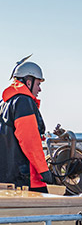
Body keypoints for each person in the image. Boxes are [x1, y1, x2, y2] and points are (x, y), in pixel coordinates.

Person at [0, 61, 54, 191]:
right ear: (28, 82)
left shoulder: (4, 103)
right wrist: (44, 171)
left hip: (5, 180)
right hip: (24, 180)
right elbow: (29, 140)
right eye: (38, 84)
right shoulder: (23, 101)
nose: (40, 89)